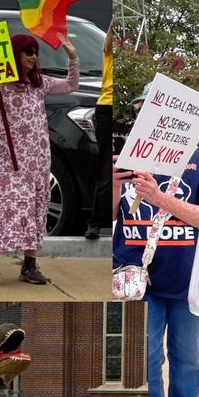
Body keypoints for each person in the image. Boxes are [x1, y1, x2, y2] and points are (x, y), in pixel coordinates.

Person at [114, 84, 199, 397]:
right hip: (136, 280)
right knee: (148, 362)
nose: (149, 121)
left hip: (188, 282)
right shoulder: (124, 159)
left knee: (188, 360)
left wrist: (160, 198)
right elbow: (108, 221)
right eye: (142, 112)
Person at [0, 32, 79, 286]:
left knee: (32, 209)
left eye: (35, 52)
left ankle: (30, 264)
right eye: (28, 52)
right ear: (14, 55)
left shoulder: (39, 83)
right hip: (2, 161)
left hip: (34, 161)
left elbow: (70, 85)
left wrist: (73, 57)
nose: (33, 57)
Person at [85, 22, 113, 239]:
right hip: (107, 107)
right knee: (105, 168)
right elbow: (108, 42)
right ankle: (95, 222)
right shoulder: (111, 49)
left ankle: (112, 220)